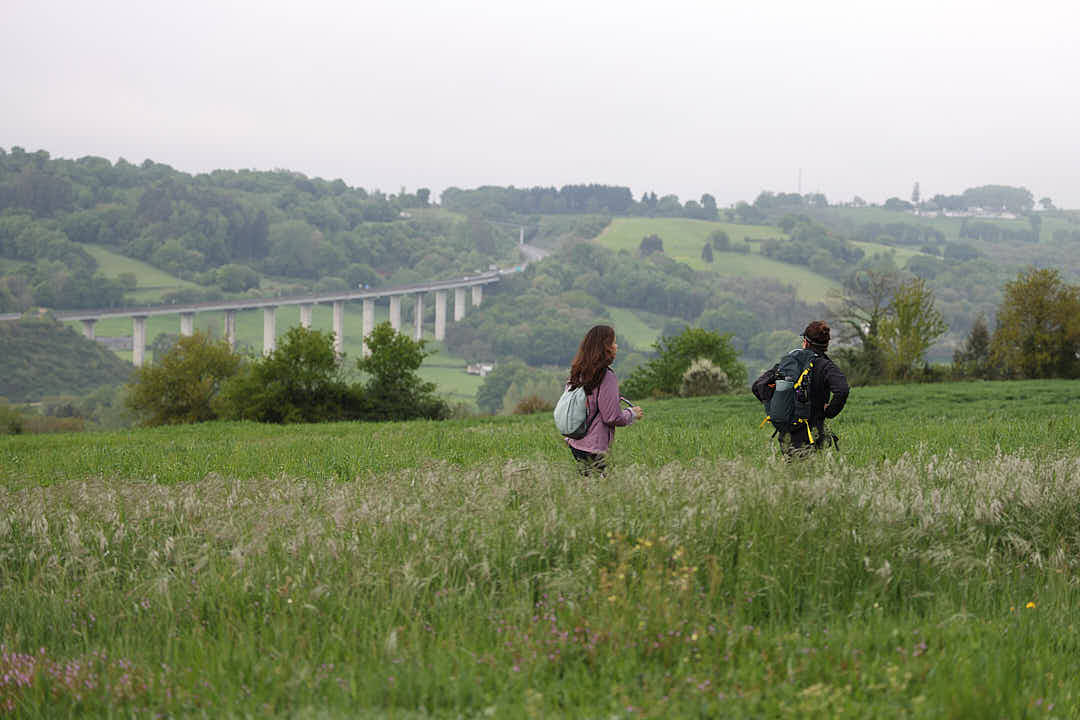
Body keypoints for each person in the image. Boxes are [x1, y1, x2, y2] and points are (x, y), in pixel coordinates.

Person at [752, 320, 849, 456]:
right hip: (814, 434)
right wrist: (829, 412)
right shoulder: (826, 366)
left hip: (788, 436)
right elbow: (842, 390)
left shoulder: (790, 363)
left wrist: (775, 405)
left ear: (805, 341)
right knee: (816, 475)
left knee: (793, 475)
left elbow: (758, 386)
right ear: (826, 344)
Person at [565, 325, 643, 475]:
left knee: (588, 487)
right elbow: (611, 417)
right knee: (601, 490)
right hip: (594, 447)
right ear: (605, 348)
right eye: (613, 342)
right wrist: (631, 413)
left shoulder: (577, 372)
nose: (616, 346)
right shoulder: (606, 377)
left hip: (575, 443)